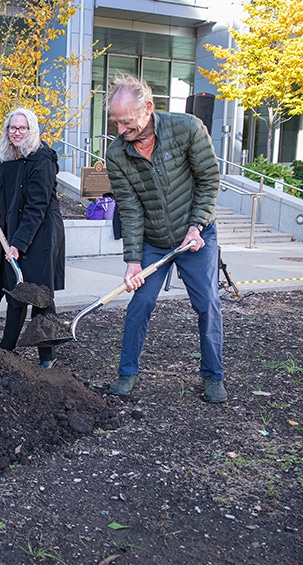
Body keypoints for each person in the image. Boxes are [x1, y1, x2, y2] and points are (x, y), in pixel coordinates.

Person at [104, 74, 226, 403]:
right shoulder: (116, 154)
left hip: (195, 235)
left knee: (208, 304)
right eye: (115, 122)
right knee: (140, 304)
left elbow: (209, 179)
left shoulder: (186, 128)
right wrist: (132, 261)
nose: (120, 130)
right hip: (153, 239)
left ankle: (213, 374)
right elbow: (129, 209)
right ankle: (127, 372)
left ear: (148, 108)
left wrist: (196, 226)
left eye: (126, 122)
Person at [0, 108, 65, 367]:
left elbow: (37, 206)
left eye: (22, 128)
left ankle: (47, 355)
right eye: (12, 128)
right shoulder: (11, 156)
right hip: (18, 227)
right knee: (17, 287)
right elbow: (12, 193)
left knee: (39, 293)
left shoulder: (42, 159)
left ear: (32, 130)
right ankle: (8, 344)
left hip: (42, 231)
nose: (16, 132)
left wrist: (18, 244)